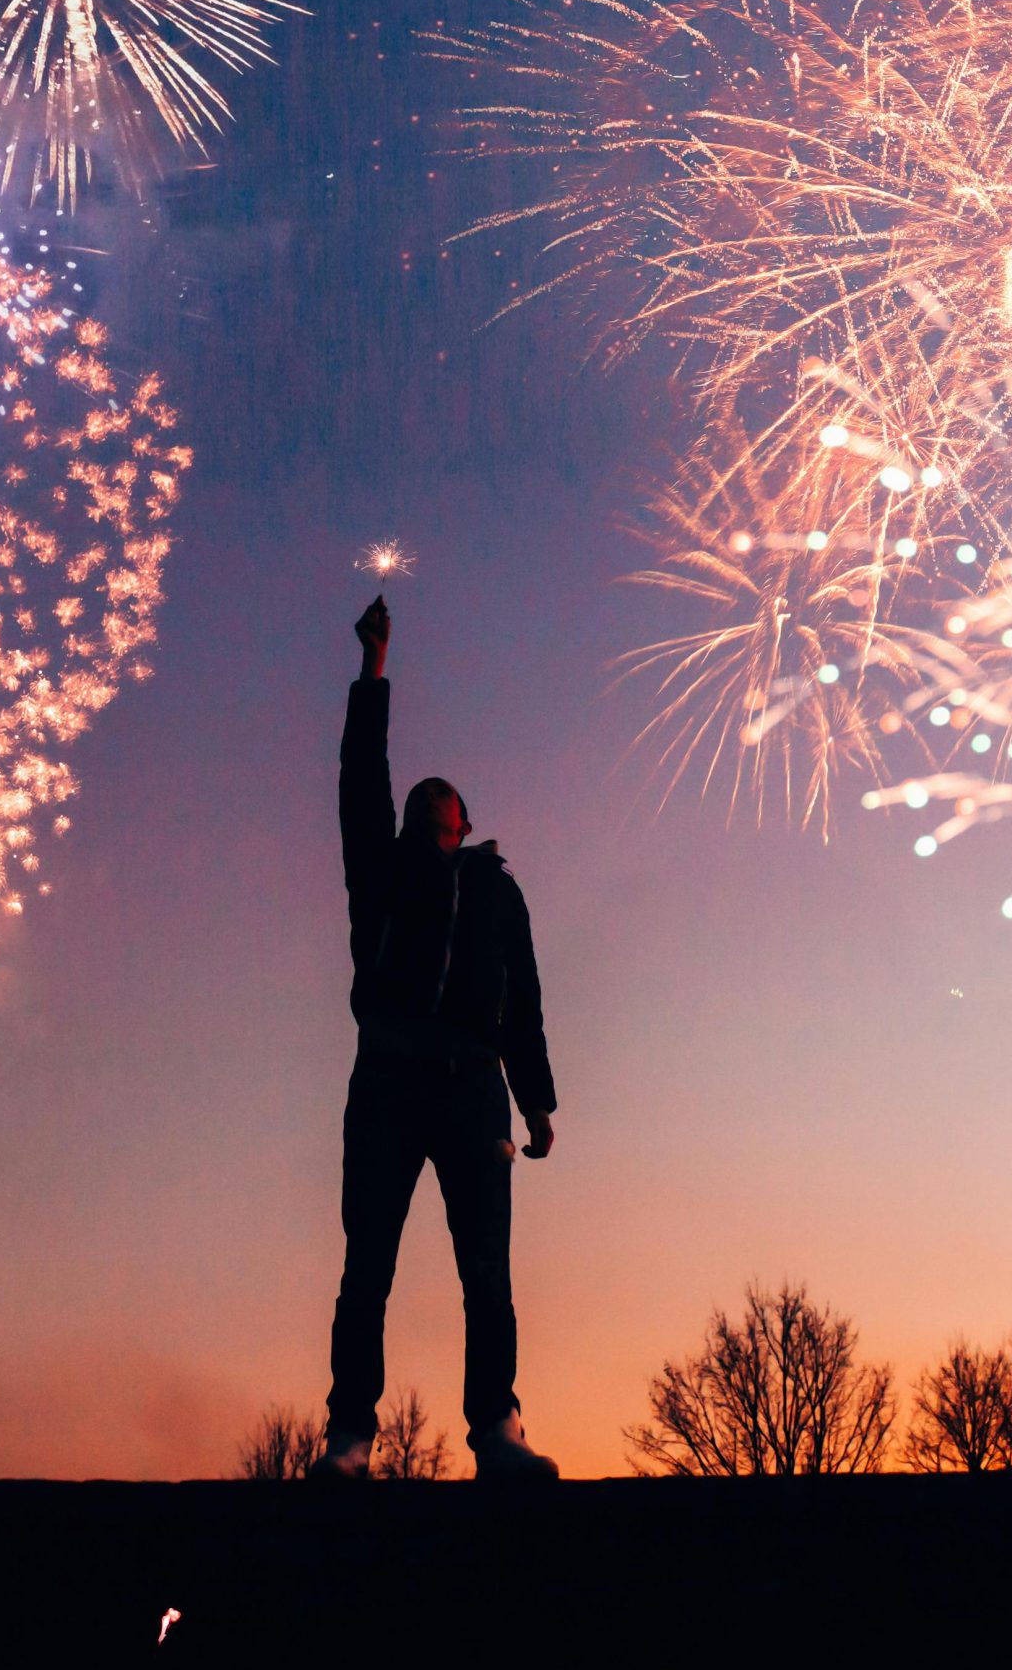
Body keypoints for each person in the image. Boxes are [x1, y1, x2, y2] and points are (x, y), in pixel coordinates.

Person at [312, 594, 560, 1481]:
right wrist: (374, 670)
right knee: (367, 1261)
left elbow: (522, 997)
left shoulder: (497, 893)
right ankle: (349, 1435)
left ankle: (497, 1427)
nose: (425, 811)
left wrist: (536, 1097)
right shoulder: (379, 873)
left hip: (470, 1084)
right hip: (387, 1073)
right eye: (416, 805)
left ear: (462, 824)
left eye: (438, 807)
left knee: (485, 1271)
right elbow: (358, 778)